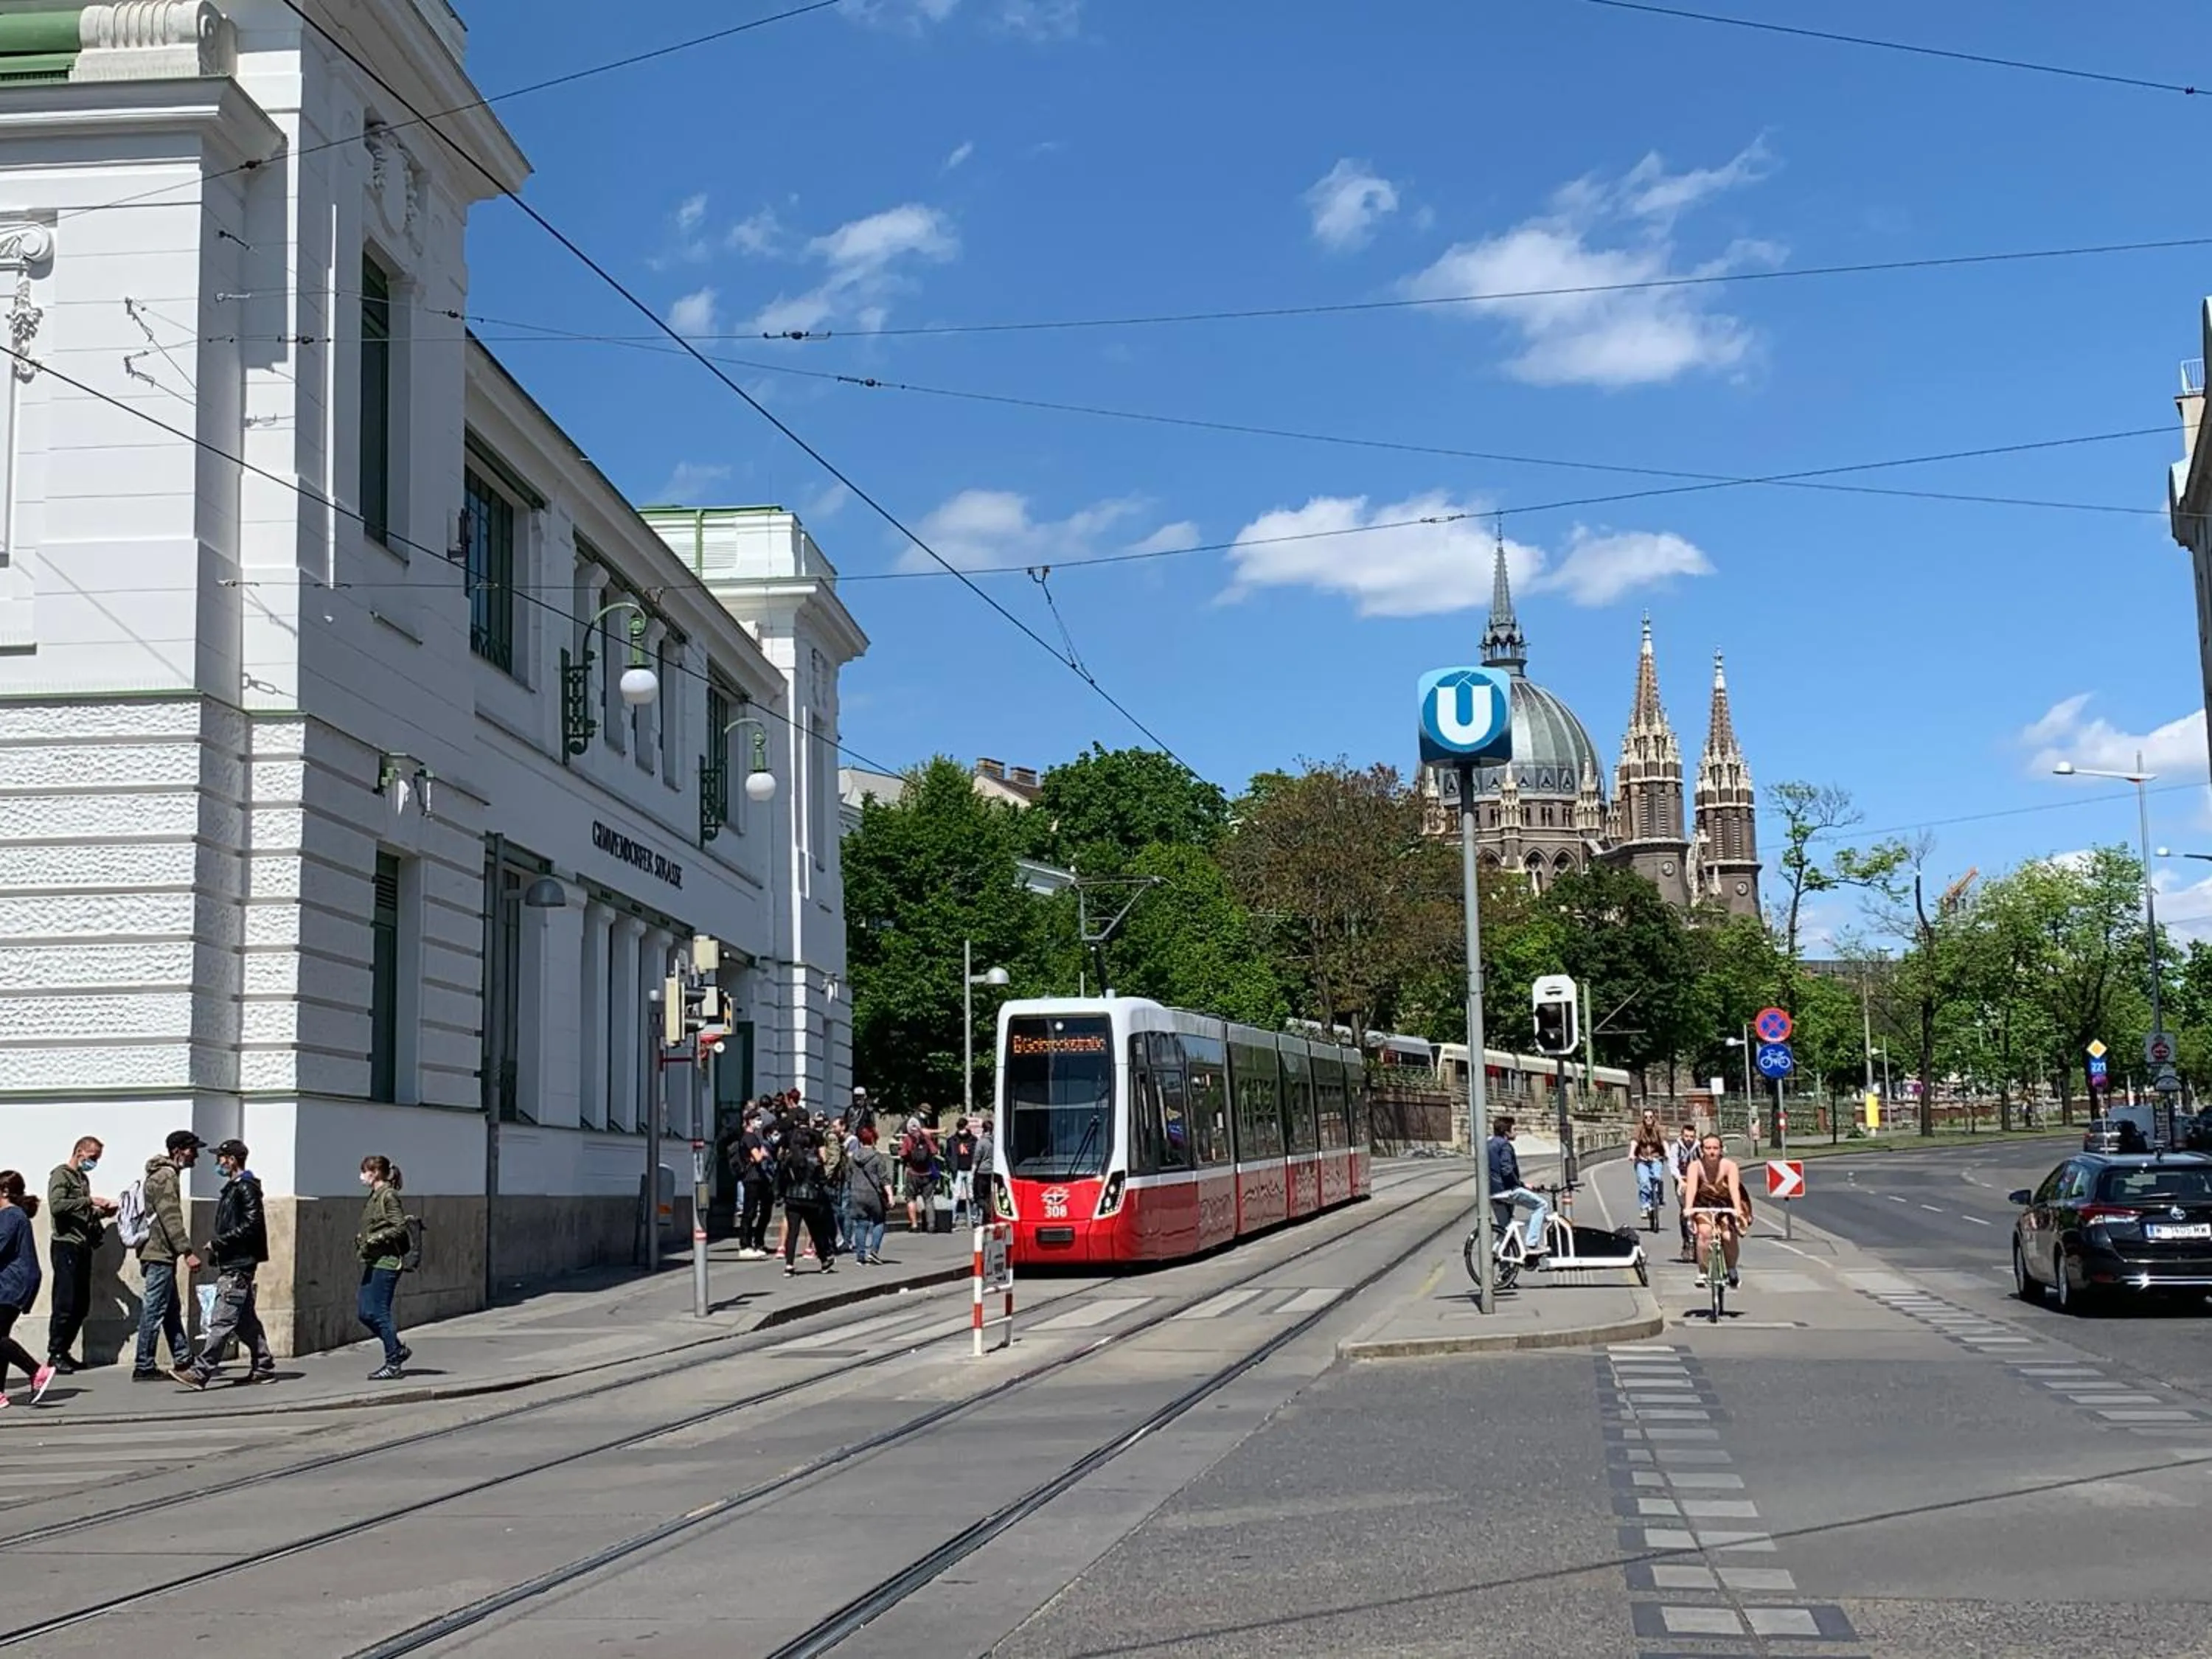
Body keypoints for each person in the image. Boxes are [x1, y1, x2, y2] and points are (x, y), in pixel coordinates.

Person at [174, 1140, 275, 1390]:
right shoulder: (234, 1188)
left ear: (231, 1160)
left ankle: (201, 1371)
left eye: (220, 1158)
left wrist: (220, 1242)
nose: (217, 1163)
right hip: (234, 1261)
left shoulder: (245, 1188)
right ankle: (264, 1365)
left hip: (238, 1263)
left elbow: (252, 1225)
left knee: (222, 1320)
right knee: (244, 1320)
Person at [132, 1130, 202, 1381]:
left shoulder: (165, 1174)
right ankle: (144, 1365)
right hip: (159, 1252)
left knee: (170, 1308)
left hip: (160, 1252)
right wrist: (187, 1251)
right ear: (178, 1151)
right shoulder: (165, 1176)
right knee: (155, 1310)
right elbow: (170, 1216)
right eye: (192, 1150)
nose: (196, 1155)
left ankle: (183, 1358)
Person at [45, 1136, 116, 1373]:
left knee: (81, 1303)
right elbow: (56, 1206)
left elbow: (81, 1213)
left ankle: (64, 1350)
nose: (94, 1163)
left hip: (82, 1245)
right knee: (65, 1301)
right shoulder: (62, 1175)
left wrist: (100, 1212)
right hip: (66, 1244)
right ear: (79, 1152)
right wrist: (89, 1200)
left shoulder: (82, 1179)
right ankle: (55, 1352)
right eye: (92, 1158)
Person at [355, 1155, 411, 1380]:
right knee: (364, 1312)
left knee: (379, 1313)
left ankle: (393, 1361)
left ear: (375, 1173)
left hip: (387, 1262)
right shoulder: (375, 1195)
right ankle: (396, 1348)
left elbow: (400, 1227)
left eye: (364, 1171)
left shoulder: (388, 1195)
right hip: (374, 1260)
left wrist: (375, 1239)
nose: (361, 1176)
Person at [0, 1172, 52, 1407]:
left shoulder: (11, 1214)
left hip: (9, 1285)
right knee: (1, 1339)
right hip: (13, 1283)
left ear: (4, 1192)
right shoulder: (13, 1215)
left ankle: (35, 1371)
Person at [1681, 1132, 1753, 1291]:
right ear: (1702, 1150)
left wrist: (1738, 1211)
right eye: (1708, 1148)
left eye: (1715, 1148)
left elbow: (1735, 1190)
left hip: (1725, 1204)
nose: (1712, 1152)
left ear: (1721, 1149)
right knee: (1704, 1233)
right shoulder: (1695, 1167)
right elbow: (1691, 1189)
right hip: (1703, 1204)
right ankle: (1703, 1271)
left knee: (1728, 1236)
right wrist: (1688, 1208)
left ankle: (1732, 1269)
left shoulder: (1729, 1166)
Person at [775, 1127, 837, 1276]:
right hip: (811, 1199)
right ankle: (824, 1260)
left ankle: (789, 1265)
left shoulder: (789, 1159)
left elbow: (781, 1178)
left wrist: (781, 1195)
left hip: (792, 1198)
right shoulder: (815, 1160)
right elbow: (822, 1179)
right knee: (816, 1230)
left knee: (793, 1231)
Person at [1486, 1116, 1550, 1256]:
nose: (1517, 1133)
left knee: (1506, 1228)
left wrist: (1523, 1185)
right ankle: (1532, 1244)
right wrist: (1519, 1185)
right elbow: (1507, 1171)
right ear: (1506, 1132)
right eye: (1514, 1130)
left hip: (1491, 1192)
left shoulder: (1487, 1144)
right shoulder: (1505, 1146)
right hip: (1506, 1191)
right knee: (1541, 1205)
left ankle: (1495, 1254)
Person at [844, 1127, 892, 1264]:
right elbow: (884, 1178)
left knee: (861, 1224)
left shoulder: (853, 1157)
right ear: (873, 1139)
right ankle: (874, 1252)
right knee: (879, 1221)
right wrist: (890, 1196)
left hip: (856, 1194)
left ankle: (860, 1256)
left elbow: (848, 1176)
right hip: (873, 1195)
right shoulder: (877, 1157)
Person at [1668, 1122, 1701, 1263]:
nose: (1688, 1139)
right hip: (1682, 1180)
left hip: (1697, 1181)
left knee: (1698, 1210)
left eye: (1691, 1137)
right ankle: (1687, 1243)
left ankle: (1699, 1243)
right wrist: (1681, 1181)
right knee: (1685, 1211)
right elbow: (1672, 1165)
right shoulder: (1676, 1148)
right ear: (1682, 1135)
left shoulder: (1699, 1147)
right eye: (1686, 1136)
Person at [900, 1117, 938, 1234]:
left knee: (911, 1199)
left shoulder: (907, 1139)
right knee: (929, 1200)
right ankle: (931, 1226)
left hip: (912, 1173)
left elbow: (903, 1153)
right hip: (927, 1174)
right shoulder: (926, 1138)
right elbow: (935, 1151)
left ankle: (915, 1225)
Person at [1631, 1110, 1668, 1222]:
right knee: (1644, 1182)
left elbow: (1664, 1141)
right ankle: (1644, 1206)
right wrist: (1632, 1153)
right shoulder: (1639, 1128)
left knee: (1657, 1177)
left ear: (1654, 1118)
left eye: (1650, 1117)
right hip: (1642, 1159)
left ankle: (1659, 1198)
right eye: (1646, 1117)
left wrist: (1667, 1153)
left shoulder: (1659, 1128)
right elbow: (1635, 1141)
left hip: (1656, 1158)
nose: (1648, 1119)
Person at [947, 1116, 979, 1229]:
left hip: (964, 1169)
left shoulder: (954, 1140)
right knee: (967, 1196)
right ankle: (970, 1219)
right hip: (962, 1170)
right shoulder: (972, 1140)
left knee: (967, 1196)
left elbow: (948, 1155)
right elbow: (948, 1155)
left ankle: (955, 1220)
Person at [973, 1114, 996, 1222]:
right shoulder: (995, 1142)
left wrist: (973, 1170)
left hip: (982, 1171)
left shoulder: (981, 1142)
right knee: (988, 1195)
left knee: (978, 1196)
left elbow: (977, 1156)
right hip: (992, 1171)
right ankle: (986, 1219)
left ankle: (988, 1211)